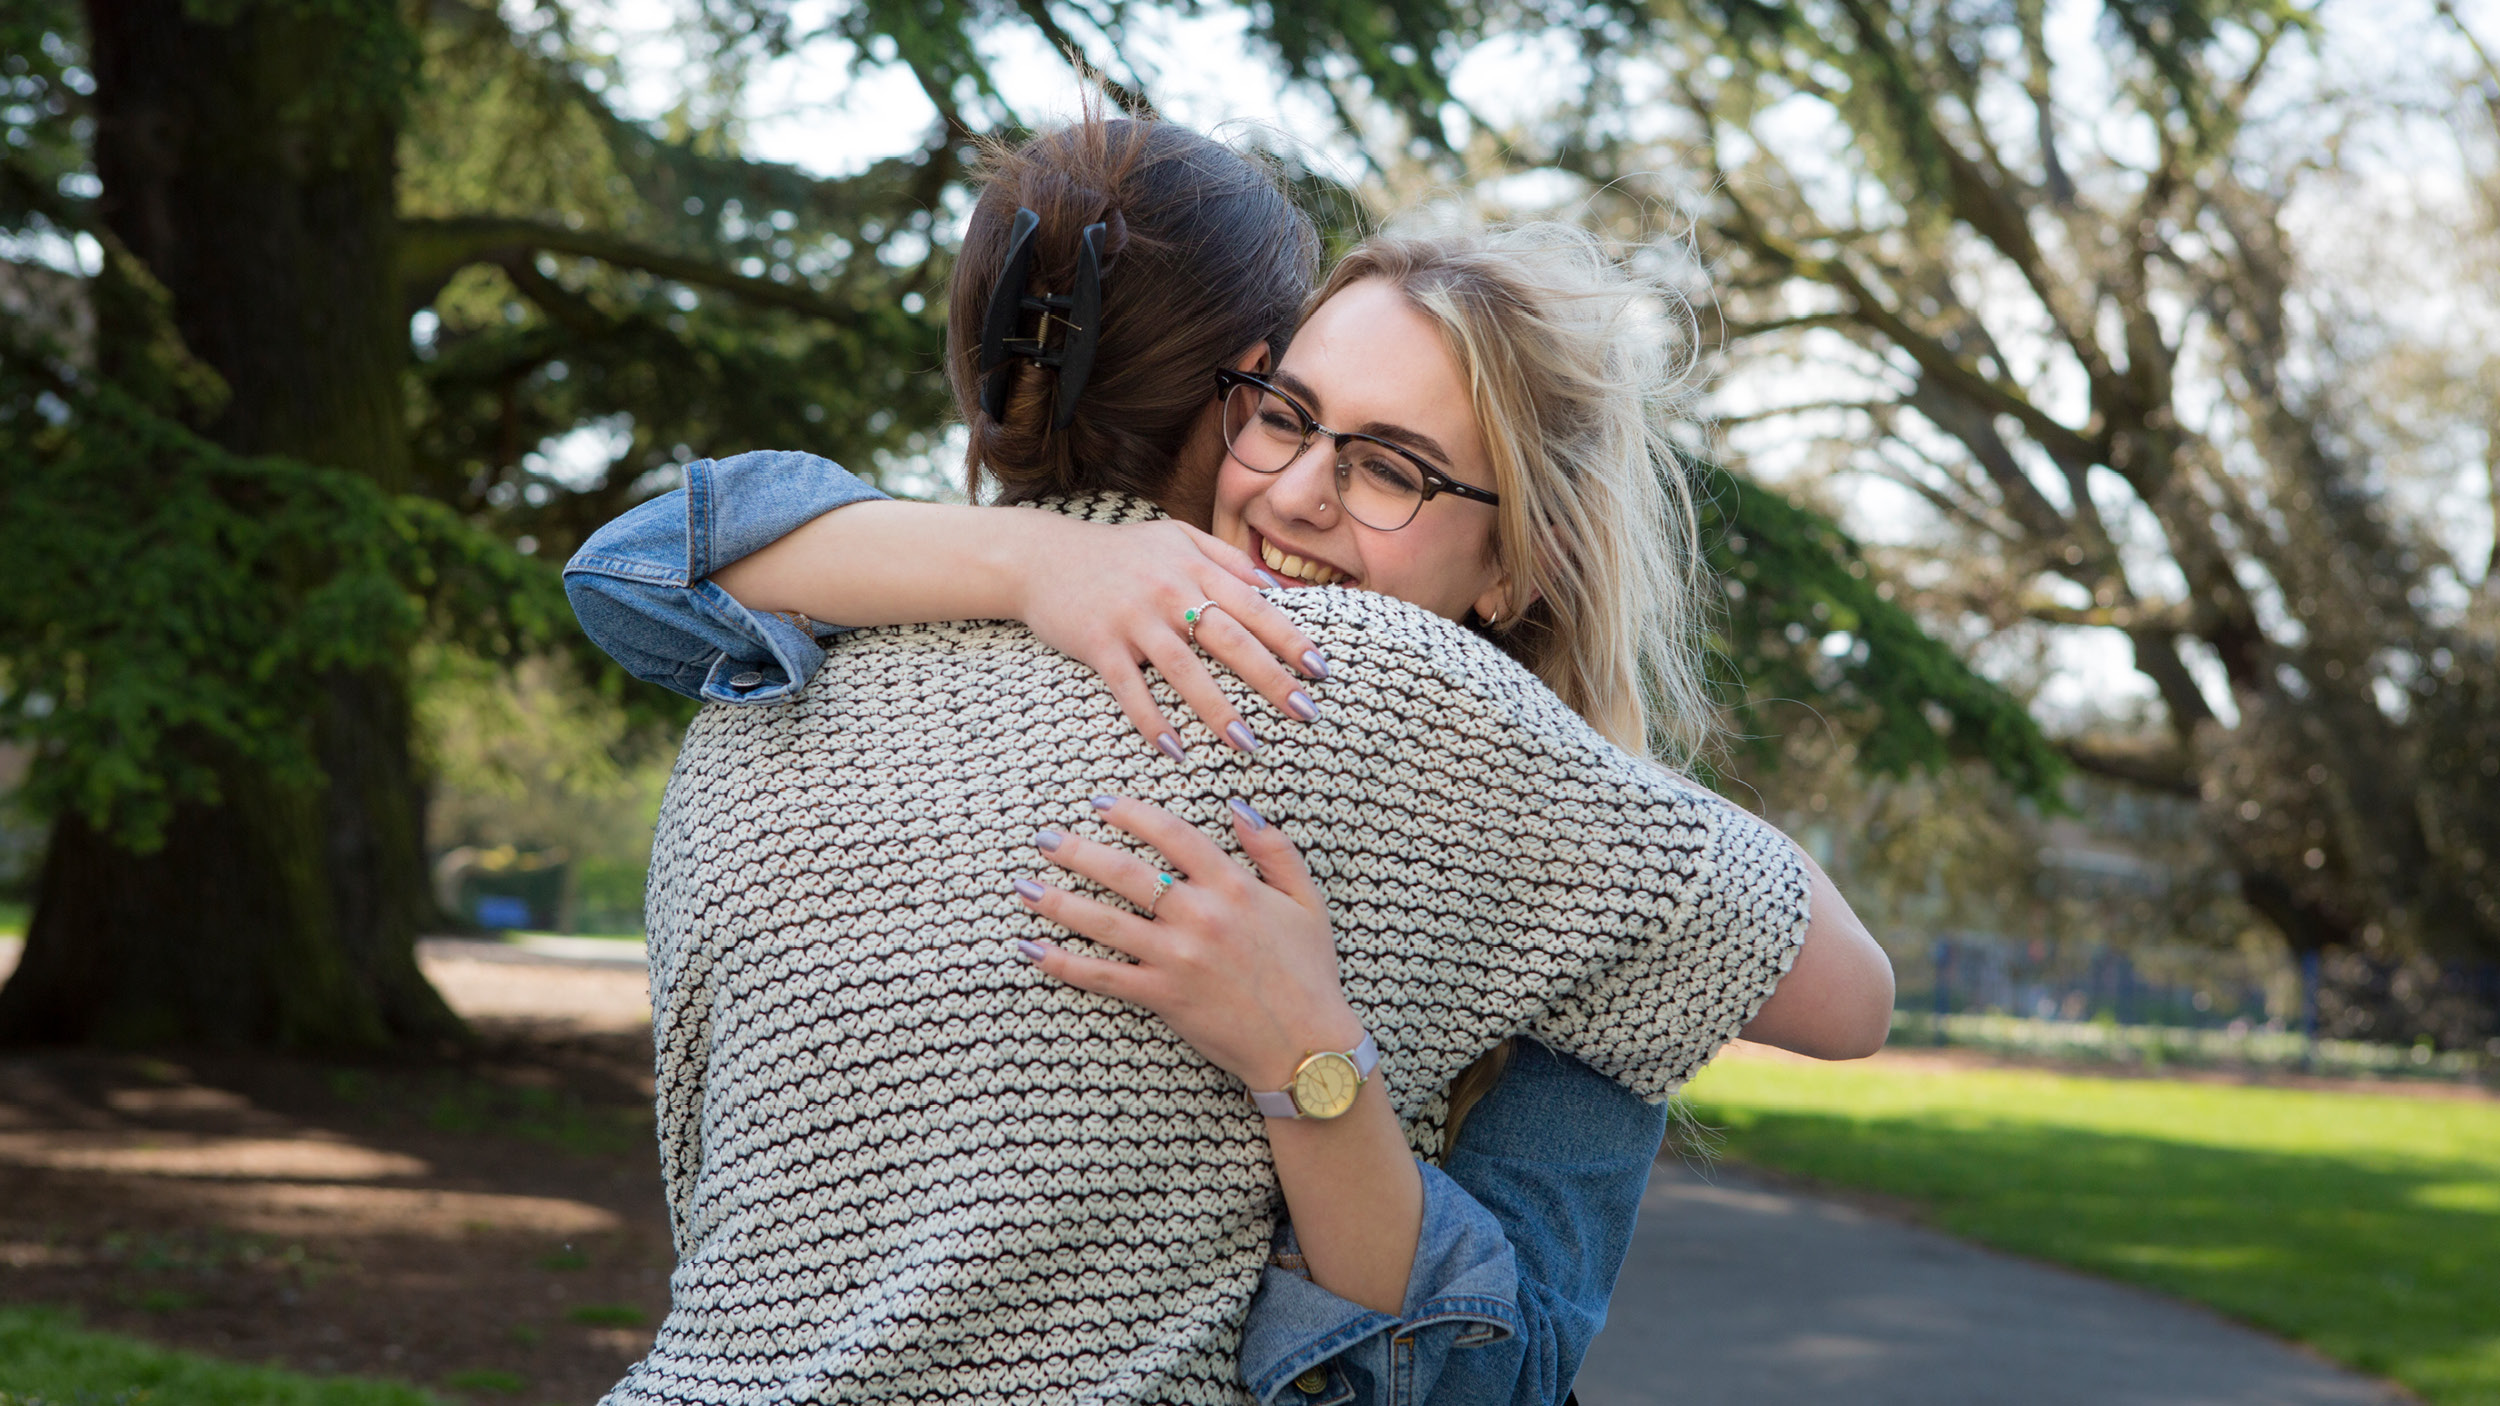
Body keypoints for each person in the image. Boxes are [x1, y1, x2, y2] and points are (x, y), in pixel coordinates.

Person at [570, 116, 1889, 1406]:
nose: (1301, 492)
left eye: (1393, 470)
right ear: (1236, 394)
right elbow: (1846, 996)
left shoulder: (766, 686)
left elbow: (636, 564)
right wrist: (1040, 561)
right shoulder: (1348, 683)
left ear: (1519, 563)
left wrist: (1313, 1058)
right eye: (1285, 417)